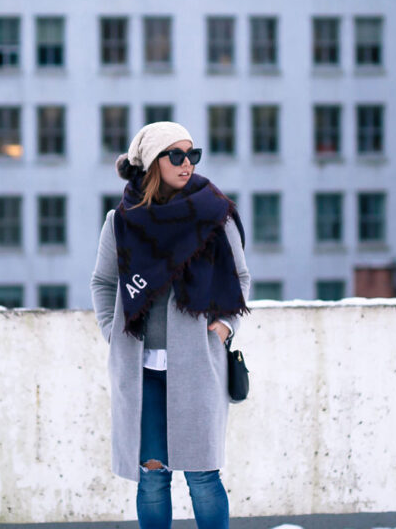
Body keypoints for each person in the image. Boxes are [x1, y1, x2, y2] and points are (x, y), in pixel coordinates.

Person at [90, 121, 251, 529]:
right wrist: (113, 333)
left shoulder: (215, 215)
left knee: (202, 475)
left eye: (191, 155)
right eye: (175, 155)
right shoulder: (121, 222)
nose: (186, 164)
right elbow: (104, 282)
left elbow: (241, 278)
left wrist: (226, 326)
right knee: (152, 477)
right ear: (151, 163)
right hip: (140, 371)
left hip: (198, 366)